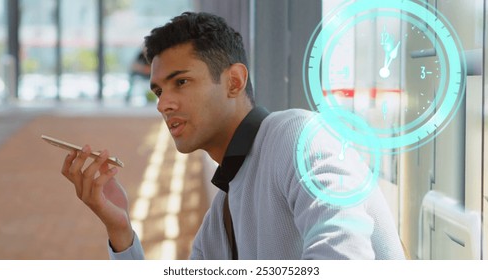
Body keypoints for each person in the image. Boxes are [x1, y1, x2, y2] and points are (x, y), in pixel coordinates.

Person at [61, 12, 405, 259]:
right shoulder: (220, 222)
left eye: (181, 82)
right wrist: (120, 230)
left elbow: (345, 252)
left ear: (234, 81)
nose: (163, 104)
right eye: (158, 91)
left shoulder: (298, 137)